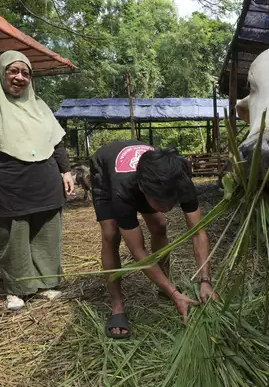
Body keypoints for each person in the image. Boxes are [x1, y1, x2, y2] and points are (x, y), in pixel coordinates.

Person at [0, 50, 75, 311]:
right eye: (14, 71)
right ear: (1, 73)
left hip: (45, 185)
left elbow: (55, 141)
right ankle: (18, 289)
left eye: (25, 73)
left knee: (47, 234)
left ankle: (47, 283)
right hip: (8, 188)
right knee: (14, 238)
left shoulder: (39, 106)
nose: (20, 77)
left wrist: (65, 171)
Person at [90, 140, 217, 338]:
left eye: (171, 202)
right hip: (106, 171)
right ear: (143, 189)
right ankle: (117, 305)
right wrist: (177, 294)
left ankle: (164, 286)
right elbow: (138, 252)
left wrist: (205, 280)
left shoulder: (180, 181)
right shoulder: (123, 190)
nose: (167, 208)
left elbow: (198, 232)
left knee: (159, 225)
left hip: (146, 177)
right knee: (111, 235)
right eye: (160, 202)